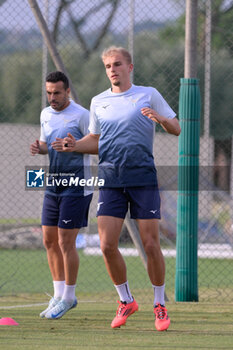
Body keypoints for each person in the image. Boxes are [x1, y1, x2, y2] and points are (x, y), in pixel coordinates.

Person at [53, 47, 181, 331]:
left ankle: (159, 304)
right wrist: (75, 146)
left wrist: (158, 118)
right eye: (108, 65)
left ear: (130, 67)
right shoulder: (99, 102)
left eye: (117, 64)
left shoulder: (148, 94)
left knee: (150, 245)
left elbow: (176, 128)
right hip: (110, 180)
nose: (112, 69)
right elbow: (97, 141)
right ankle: (126, 301)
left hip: (143, 178)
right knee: (107, 245)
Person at [30, 71, 93, 319]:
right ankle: (57, 295)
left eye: (56, 92)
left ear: (67, 91)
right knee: (49, 240)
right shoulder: (45, 114)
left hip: (77, 185)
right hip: (53, 184)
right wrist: (40, 148)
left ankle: (69, 297)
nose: (52, 97)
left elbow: (99, 145)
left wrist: (75, 145)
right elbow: (48, 145)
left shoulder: (82, 115)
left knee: (66, 242)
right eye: (48, 92)